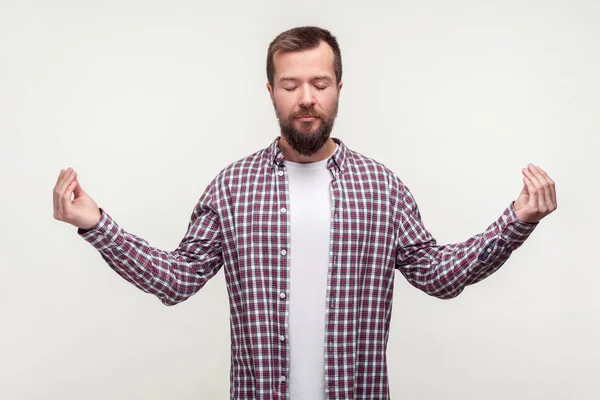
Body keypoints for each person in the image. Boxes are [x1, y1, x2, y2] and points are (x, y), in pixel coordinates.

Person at [52, 26, 557, 400]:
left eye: (320, 83)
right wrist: (97, 226)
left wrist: (516, 222)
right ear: (270, 92)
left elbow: (438, 276)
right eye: (291, 85)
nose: (307, 99)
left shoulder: (380, 186)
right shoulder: (233, 187)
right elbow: (177, 280)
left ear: (339, 87)